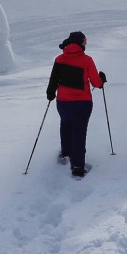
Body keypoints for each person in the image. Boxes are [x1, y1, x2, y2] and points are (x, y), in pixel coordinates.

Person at [46, 30, 106, 178]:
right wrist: (102, 79)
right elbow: (96, 83)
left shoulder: (59, 59)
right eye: (85, 41)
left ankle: (65, 153)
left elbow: (53, 80)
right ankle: (78, 167)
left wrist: (50, 94)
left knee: (65, 124)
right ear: (81, 43)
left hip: (63, 102)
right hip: (82, 103)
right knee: (79, 131)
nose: (86, 43)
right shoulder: (87, 60)